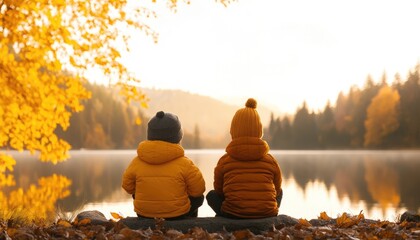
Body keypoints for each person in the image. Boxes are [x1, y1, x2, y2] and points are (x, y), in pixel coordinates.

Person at [206, 98, 283, 219]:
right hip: (266, 213)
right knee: (281, 192)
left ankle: (224, 217)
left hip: (233, 213)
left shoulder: (224, 161)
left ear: (233, 131)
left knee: (211, 195)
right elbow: (277, 190)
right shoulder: (271, 161)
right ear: (259, 131)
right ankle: (269, 212)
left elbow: (219, 191)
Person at [122, 111, 205, 219]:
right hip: (177, 215)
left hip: (144, 214)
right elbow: (199, 190)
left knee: (137, 192)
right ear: (178, 137)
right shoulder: (185, 163)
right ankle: (190, 224)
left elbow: (128, 187)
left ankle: (148, 210)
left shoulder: (136, 162)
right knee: (199, 198)